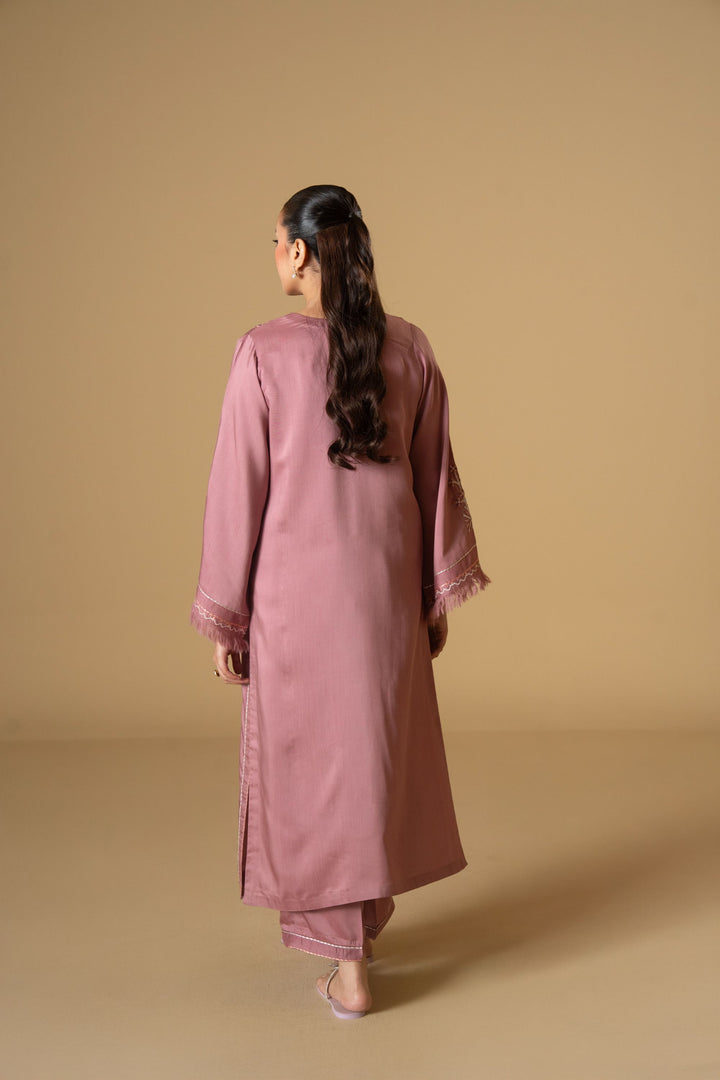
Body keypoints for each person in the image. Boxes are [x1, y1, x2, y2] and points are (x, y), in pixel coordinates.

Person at [189, 184, 491, 1019]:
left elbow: (238, 491)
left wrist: (225, 614)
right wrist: (431, 597)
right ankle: (358, 932)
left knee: (313, 771)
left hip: (294, 604)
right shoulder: (409, 346)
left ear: (297, 251)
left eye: (274, 242)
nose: (273, 255)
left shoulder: (262, 352)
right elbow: (434, 479)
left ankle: (348, 970)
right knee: (367, 761)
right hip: (383, 597)